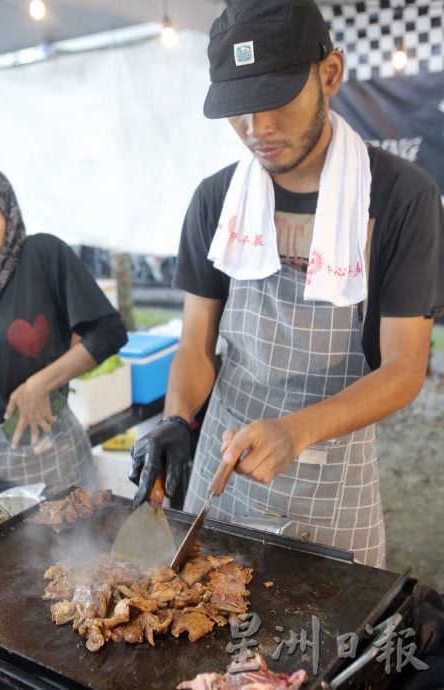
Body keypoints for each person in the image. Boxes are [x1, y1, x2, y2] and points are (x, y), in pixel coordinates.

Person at [129, 0, 444, 568]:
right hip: (223, 467)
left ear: (330, 74)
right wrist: (177, 418)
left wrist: (297, 430)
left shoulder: (399, 195)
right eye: (239, 109)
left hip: (331, 471)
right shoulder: (216, 198)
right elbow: (197, 344)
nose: (259, 129)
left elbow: (404, 368)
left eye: (275, 100)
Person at [0, 162, 128, 496]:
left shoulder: (42, 255)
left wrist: (40, 384)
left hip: (50, 451)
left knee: (74, 545)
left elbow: (108, 331)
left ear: (7, 214)